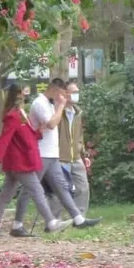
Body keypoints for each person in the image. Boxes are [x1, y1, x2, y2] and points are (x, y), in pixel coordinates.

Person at [10, 78, 101, 234]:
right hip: (40, 153)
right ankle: (17, 224)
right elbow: (52, 124)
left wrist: (58, 108)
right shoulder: (40, 103)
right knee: (30, 189)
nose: (62, 97)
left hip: (52, 154)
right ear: (54, 90)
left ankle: (78, 219)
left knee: (62, 187)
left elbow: (53, 124)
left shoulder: (51, 105)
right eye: (61, 93)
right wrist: (60, 107)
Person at [0, 83, 71, 238]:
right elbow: (4, 138)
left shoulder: (21, 114)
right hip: (20, 162)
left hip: (19, 162)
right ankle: (51, 222)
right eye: (22, 94)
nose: (24, 96)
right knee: (37, 191)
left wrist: (39, 131)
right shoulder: (13, 115)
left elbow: (26, 136)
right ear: (16, 96)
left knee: (6, 194)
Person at [47, 81, 93, 218]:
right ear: (65, 94)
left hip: (76, 157)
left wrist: (84, 154)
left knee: (82, 188)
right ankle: (54, 220)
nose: (76, 95)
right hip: (60, 157)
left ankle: (80, 218)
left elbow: (79, 135)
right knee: (58, 191)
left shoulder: (78, 113)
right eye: (73, 92)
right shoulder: (57, 112)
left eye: (77, 92)